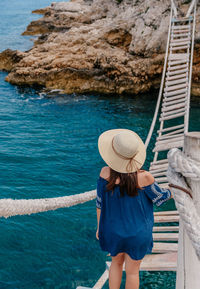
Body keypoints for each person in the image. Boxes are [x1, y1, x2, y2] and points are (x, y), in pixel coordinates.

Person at [96, 128, 172, 289]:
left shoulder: (104, 173)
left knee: (115, 264)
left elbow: (99, 204)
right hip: (138, 233)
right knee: (132, 272)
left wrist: (99, 228)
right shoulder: (145, 177)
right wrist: (174, 190)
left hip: (112, 231)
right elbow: (161, 198)